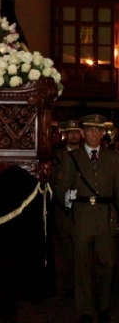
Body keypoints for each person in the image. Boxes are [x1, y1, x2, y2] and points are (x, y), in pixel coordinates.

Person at [55, 114, 119, 323]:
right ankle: (85, 310)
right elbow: (60, 188)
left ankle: (102, 305)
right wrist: (66, 199)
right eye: (91, 130)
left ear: (103, 133)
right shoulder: (71, 158)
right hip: (81, 217)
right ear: (83, 133)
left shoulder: (113, 158)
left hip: (105, 217)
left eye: (99, 130)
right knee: (81, 266)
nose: (95, 134)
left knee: (107, 264)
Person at [52, 119, 82, 299]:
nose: (73, 135)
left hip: (84, 206)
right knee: (67, 248)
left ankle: (83, 284)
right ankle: (71, 284)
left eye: (76, 132)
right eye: (70, 132)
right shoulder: (57, 155)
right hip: (63, 207)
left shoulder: (88, 155)